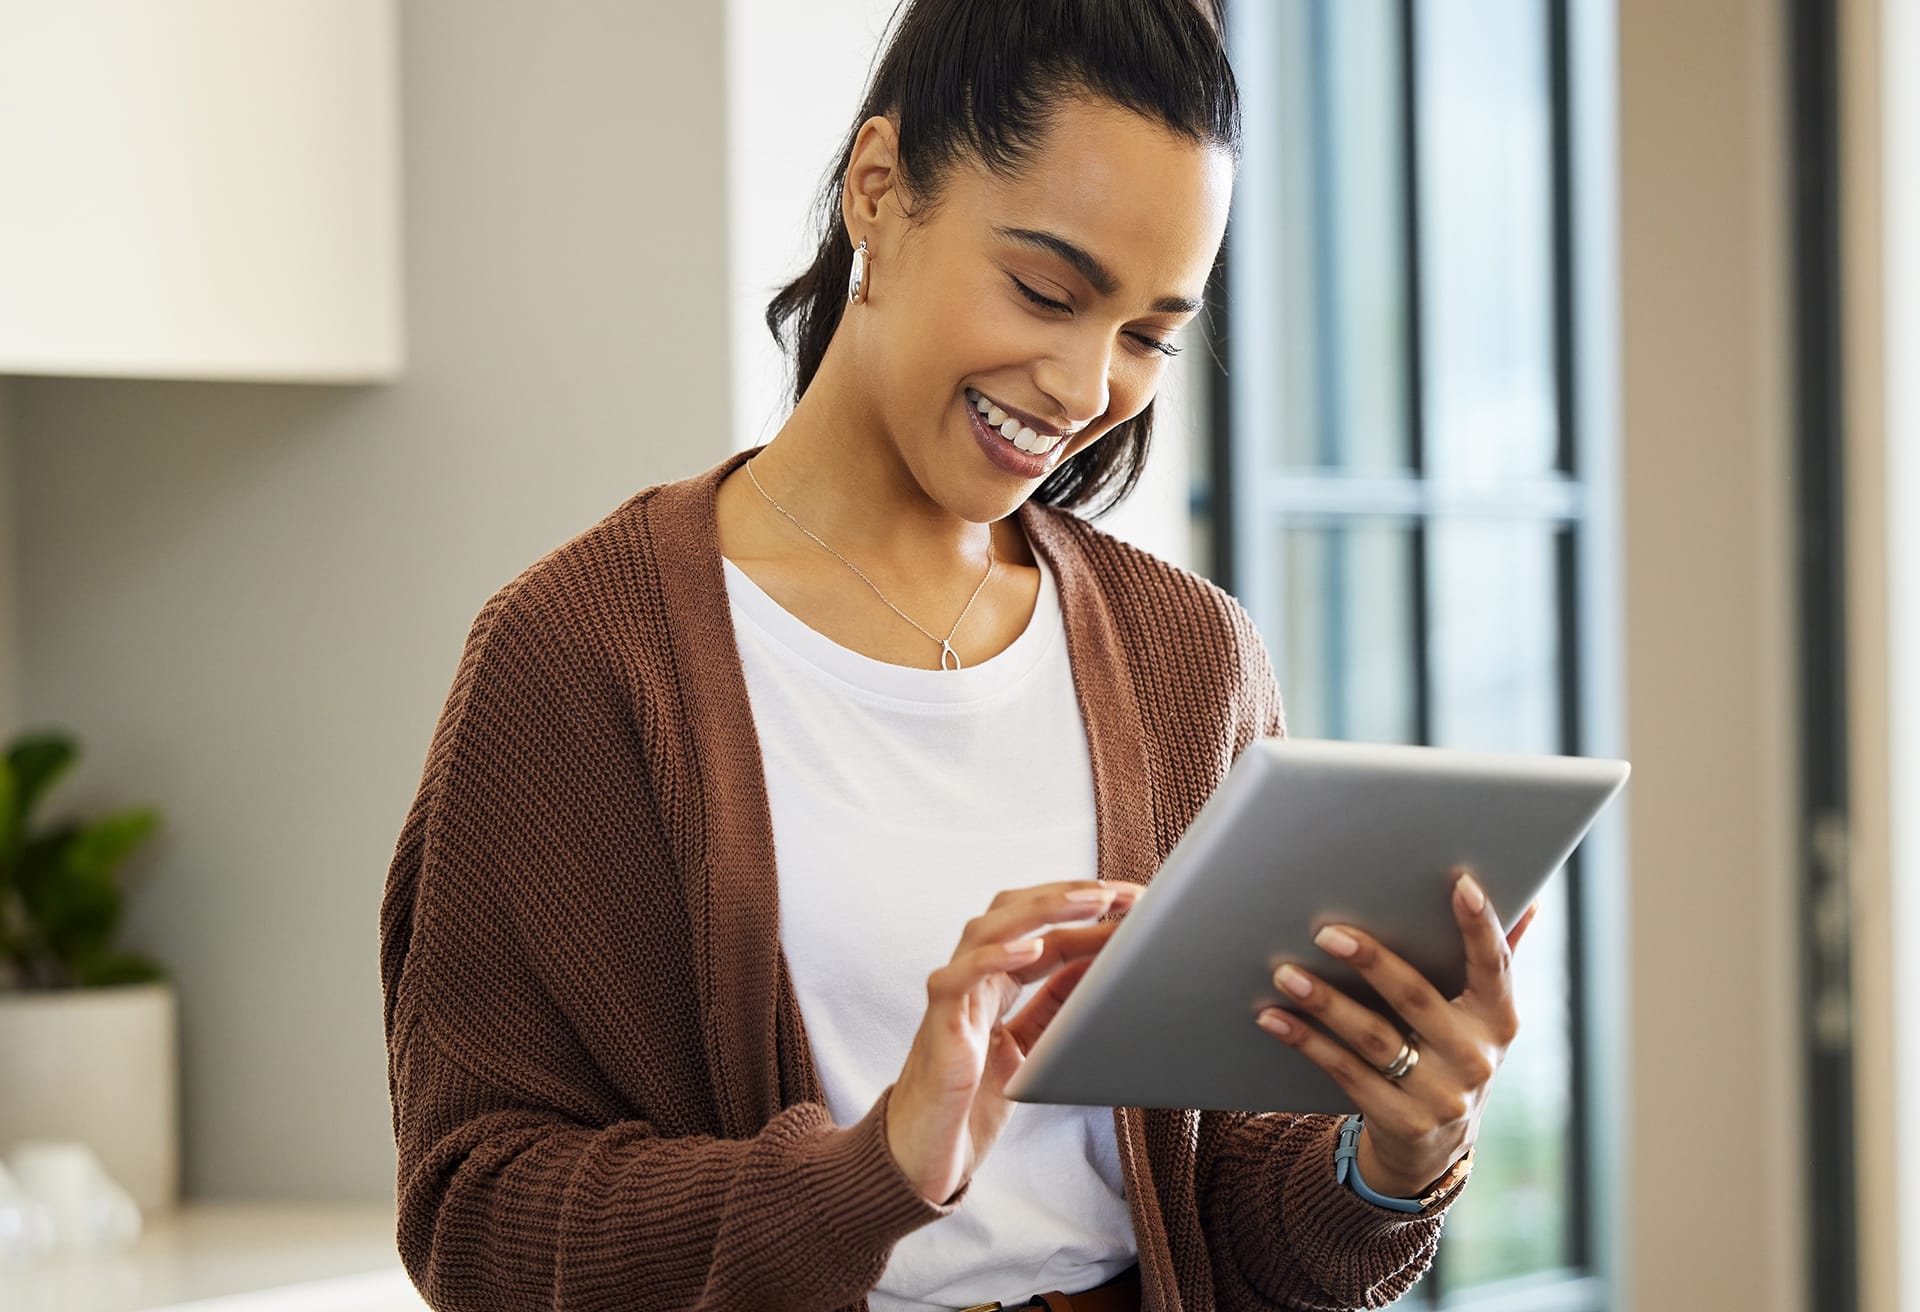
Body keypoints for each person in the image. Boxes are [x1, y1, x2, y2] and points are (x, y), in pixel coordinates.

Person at [378, 1, 1540, 1308]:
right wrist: (875, 1167)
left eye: (1152, 333)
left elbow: (1226, 1218)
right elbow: (475, 1219)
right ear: (878, 189)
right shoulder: (583, 661)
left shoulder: (1190, 661)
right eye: (1048, 289)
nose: (1087, 385)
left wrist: (1397, 1150)